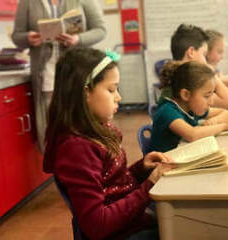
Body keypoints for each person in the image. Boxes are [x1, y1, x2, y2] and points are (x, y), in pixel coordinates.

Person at [43, 47, 175, 240]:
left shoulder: (98, 130)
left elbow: (112, 183)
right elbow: (97, 225)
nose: (118, 97)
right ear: (85, 92)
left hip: (131, 223)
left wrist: (141, 168)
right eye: (111, 89)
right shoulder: (77, 148)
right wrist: (148, 186)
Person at [12, 0, 106, 152]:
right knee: (54, 127)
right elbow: (17, 36)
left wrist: (78, 39)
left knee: (83, 123)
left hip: (78, 72)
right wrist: (28, 38)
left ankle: (89, 162)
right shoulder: (28, 2)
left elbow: (101, 30)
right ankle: (60, 167)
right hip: (46, 75)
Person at [150, 60, 228, 153]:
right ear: (186, 95)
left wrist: (213, 122)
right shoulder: (167, 111)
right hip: (163, 165)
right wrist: (225, 125)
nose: (211, 102)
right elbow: (193, 135)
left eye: (212, 94)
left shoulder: (191, 107)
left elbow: (227, 113)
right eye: (207, 96)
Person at [158, 24, 228, 110]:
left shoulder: (176, 74)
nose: (205, 61)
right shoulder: (188, 81)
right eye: (203, 54)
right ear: (191, 52)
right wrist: (209, 72)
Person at [205, 29, 228, 95]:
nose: (222, 57)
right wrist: (222, 82)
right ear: (207, 51)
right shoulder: (204, 70)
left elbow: (222, 79)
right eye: (219, 52)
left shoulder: (215, 68)